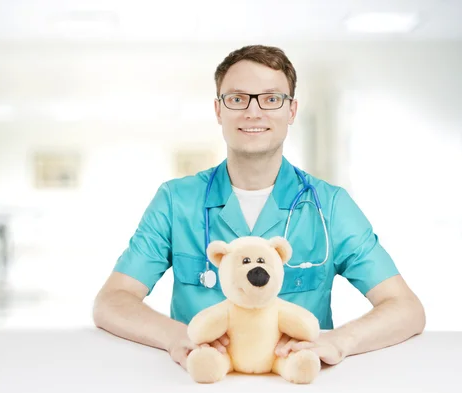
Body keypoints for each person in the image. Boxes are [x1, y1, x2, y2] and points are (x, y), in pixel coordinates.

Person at [92, 44, 426, 370]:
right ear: (219, 109)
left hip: (296, 385)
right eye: (237, 99)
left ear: (291, 110)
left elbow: (406, 308)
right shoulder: (176, 201)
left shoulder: (330, 206)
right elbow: (112, 301)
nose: (254, 112)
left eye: (271, 99)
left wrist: (340, 341)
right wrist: (176, 336)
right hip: (202, 382)